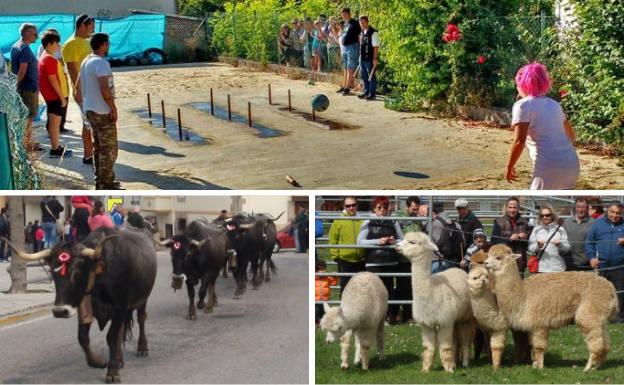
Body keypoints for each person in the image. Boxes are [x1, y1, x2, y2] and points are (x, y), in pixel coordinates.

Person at [506, 62, 580, 189]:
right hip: (572, 165)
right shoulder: (554, 104)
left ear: (523, 85)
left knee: (536, 204)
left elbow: (519, 141)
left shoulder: (522, 105)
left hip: (548, 166)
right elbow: (571, 136)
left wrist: (509, 166)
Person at [76, 33, 121, 190]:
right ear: (103, 45)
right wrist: (113, 108)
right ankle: (106, 183)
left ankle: (101, 181)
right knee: (109, 149)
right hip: (102, 111)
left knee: (99, 148)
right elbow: (104, 88)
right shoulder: (101, 63)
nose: (108, 47)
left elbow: (77, 87)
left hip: (90, 109)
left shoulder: (86, 61)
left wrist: (84, 105)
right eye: (107, 44)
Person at [357, 196, 404, 324]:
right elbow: (360, 242)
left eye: (385, 207)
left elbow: (403, 240)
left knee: (389, 290)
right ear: (374, 209)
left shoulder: (393, 221)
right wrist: (378, 241)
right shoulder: (367, 222)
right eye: (379, 208)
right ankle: (374, 318)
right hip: (374, 262)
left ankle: (390, 316)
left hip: (391, 261)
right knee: (374, 291)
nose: (382, 210)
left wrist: (395, 241)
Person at [63, 14, 95, 165]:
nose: (92, 30)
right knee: (89, 124)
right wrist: (80, 91)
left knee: (88, 124)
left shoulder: (84, 42)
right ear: (82, 25)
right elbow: (72, 70)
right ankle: (89, 155)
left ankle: (89, 154)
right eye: (91, 27)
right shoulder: (71, 44)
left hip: (91, 90)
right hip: (84, 91)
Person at [585, 201, 624, 323]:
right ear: (608, 210)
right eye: (612, 212)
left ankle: (618, 316)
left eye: (618, 213)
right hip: (601, 265)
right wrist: (591, 257)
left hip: (620, 265)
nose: (615, 215)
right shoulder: (598, 224)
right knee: (600, 291)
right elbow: (589, 243)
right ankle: (600, 315)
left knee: (620, 292)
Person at [38, 30, 73, 158]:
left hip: (51, 96)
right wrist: (62, 97)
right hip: (54, 96)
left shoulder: (44, 57)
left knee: (54, 122)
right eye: (57, 43)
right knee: (55, 123)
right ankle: (55, 149)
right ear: (50, 43)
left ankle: (56, 147)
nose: (59, 46)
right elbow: (53, 80)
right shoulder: (49, 59)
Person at [10, 23, 40, 151]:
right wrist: (15, 85)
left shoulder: (15, 46)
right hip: (28, 88)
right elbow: (22, 71)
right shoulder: (25, 49)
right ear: (27, 33)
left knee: (25, 115)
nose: (37, 37)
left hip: (23, 87)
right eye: (35, 33)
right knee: (28, 116)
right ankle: (27, 143)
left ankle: (26, 141)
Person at [328, 196, 365, 296]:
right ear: (344, 206)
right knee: (345, 288)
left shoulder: (363, 220)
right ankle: (343, 311)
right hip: (345, 261)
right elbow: (333, 239)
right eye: (348, 206)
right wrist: (336, 257)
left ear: (357, 206)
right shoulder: (339, 221)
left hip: (361, 260)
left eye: (353, 205)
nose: (351, 208)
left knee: (361, 289)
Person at [491, 196, 530, 274]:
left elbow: (529, 243)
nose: (512, 210)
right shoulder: (499, 222)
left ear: (518, 208)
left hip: (519, 261)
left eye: (514, 207)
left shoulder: (525, 223)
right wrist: (509, 239)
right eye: (510, 207)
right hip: (503, 262)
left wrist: (526, 237)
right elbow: (494, 241)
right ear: (506, 208)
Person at [527, 203, 570, 273]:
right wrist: (538, 246)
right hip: (541, 269)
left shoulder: (560, 229)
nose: (545, 217)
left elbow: (567, 248)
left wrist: (560, 245)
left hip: (558, 268)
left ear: (552, 216)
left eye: (547, 215)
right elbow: (530, 248)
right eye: (542, 215)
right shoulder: (536, 230)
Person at [562, 197, 594, 271]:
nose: (580, 210)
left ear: (588, 208)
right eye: (578, 207)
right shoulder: (567, 222)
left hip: (585, 264)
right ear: (575, 207)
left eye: (583, 207)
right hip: (567, 262)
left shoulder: (594, 223)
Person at [337, 8, 361, 95]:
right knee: (346, 67)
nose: (343, 16)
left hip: (353, 47)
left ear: (349, 14)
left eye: (345, 15)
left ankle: (347, 88)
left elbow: (357, 34)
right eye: (342, 15)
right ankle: (344, 86)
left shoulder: (354, 23)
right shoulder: (346, 24)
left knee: (350, 68)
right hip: (345, 48)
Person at [357, 16, 379, 101]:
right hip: (362, 58)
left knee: (371, 76)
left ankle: (372, 94)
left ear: (367, 22)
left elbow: (376, 47)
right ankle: (366, 91)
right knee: (364, 75)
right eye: (361, 23)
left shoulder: (373, 33)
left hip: (370, 58)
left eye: (363, 22)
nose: (362, 24)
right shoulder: (362, 32)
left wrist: (375, 58)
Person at [315, 259, 337, 325]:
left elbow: (334, 283)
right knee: (317, 312)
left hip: (325, 300)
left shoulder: (327, 277)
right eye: (319, 270)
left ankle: (324, 324)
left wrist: (335, 276)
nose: (322, 272)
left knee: (325, 313)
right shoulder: (314, 277)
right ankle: (317, 323)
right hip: (316, 300)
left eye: (323, 269)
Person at [309, 20, 326, 85]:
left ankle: (319, 68)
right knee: (314, 57)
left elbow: (324, 37)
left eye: (317, 24)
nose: (316, 25)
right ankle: (314, 70)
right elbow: (315, 37)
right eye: (315, 24)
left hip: (319, 45)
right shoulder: (315, 31)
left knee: (318, 57)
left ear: (320, 24)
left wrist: (321, 36)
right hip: (314, 45)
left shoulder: (322, 29)